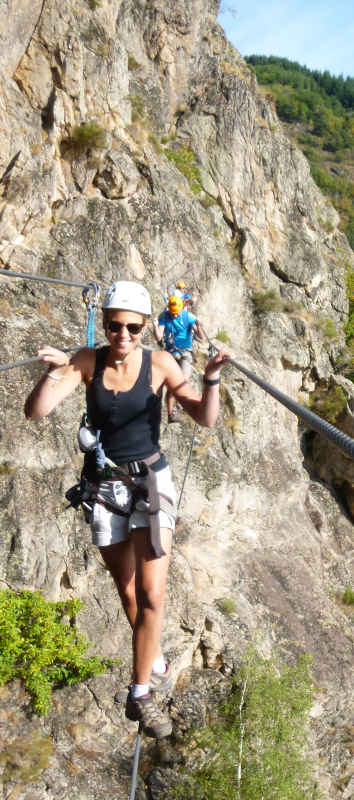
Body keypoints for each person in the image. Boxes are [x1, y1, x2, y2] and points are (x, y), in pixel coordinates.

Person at [24, 280, 231, 739]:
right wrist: (55, 371)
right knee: (129, 591)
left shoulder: (158, 363)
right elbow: (36, 411)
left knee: (154, 596)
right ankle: (151, 652)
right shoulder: (86, 361)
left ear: (144, 328)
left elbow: (205, 415)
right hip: (104, 487)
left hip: (152, 482)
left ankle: (140, 694)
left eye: (133, 327)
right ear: (107, 323)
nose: (123, 334)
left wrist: (211, 378)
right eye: (115, 325)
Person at [154, 295, 204, 423]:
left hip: (186, 353)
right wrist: (155, 326)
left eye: (177, 313)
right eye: (173, 313)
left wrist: (198, 325)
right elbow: (159, 337)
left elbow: (201, 337)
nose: (175, 315)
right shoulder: (164, 317)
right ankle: (171, 413)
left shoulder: (188, 317)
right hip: (171, 352)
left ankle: (175, 404)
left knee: (182, 383)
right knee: (172, 384)